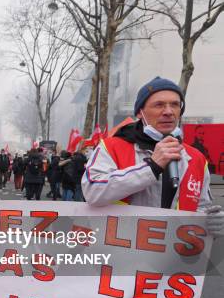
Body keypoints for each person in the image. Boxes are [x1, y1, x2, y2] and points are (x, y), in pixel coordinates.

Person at [82, 77, 223, 237]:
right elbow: (92, 192)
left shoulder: (196, 158)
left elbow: (202, 206)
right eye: (159, 105)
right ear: (140, 112)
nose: (168, 111)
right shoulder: (112, 146)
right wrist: (151, 168)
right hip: (123, 250)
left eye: (175, 105)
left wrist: (211, 221)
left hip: (174, 255)